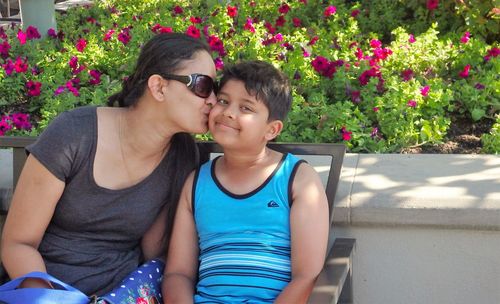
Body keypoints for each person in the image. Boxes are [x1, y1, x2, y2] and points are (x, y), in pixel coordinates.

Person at [0, 32, 218, 300]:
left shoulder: (182, 156)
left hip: (118, 294)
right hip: (43, 289)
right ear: (159, 87)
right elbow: (18, 243)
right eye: (203, 86)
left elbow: (154, 251)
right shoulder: (75, 134)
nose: (213, 100)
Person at [162, 61, 329, 303]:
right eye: (223, 101)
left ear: (271, 130)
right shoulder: (197, 183)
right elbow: (178, 273)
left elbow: (307, 276)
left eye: (246, 108)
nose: (229, 112)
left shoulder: (296, 179)